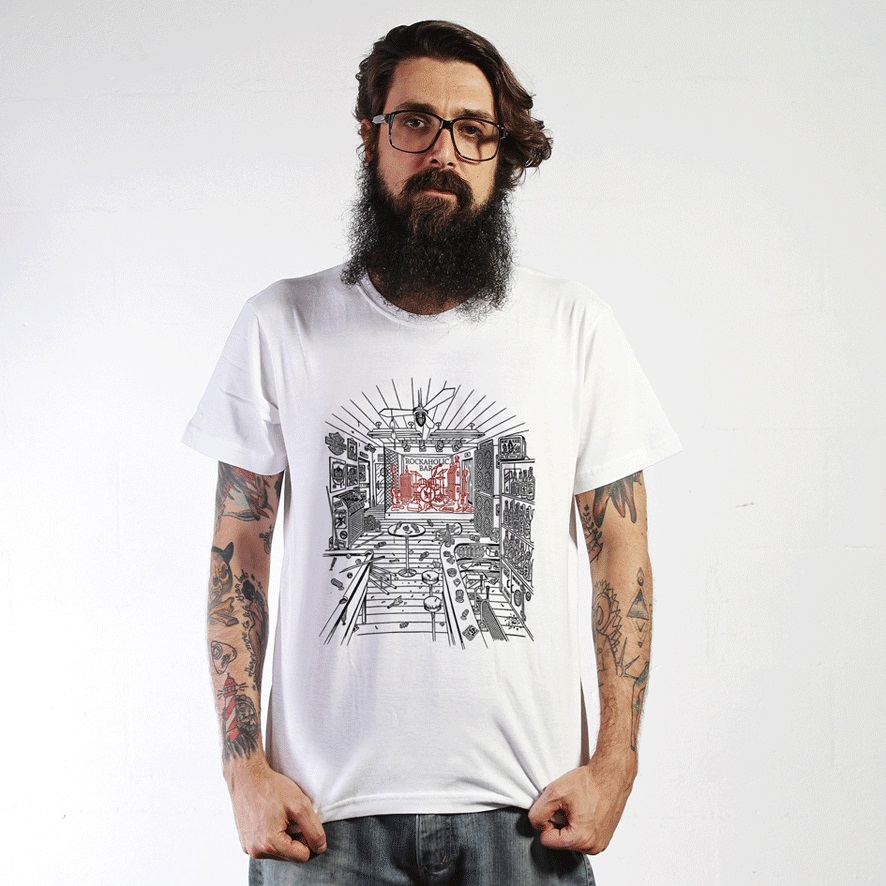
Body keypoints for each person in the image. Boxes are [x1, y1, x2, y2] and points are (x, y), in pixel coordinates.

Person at [184, 20, 681, 886]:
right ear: (371, 135)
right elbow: (241, 547)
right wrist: (242, 770)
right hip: (320, 823)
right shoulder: (281, 324)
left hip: (528, 820)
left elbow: (619, 546)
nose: (442, 151)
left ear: (500, 154)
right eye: (414, 122)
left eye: (472, 129)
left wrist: (617, 763)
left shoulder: (574, 326)